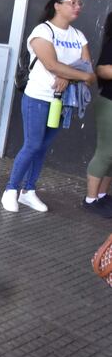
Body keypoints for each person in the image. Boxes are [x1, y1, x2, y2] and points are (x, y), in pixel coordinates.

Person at [1, 0, 94, 213]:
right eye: (72, 2)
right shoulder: (43, 31)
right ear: (57, 5)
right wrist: (75, 74)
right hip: (38, 97)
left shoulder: (78, 36)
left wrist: (68, 76)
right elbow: (52, 64)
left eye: (79, 3)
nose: (77, 7)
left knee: (43, 147)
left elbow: (88, 69)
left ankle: (29, 191)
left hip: (64, 101)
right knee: (32, 144)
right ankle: (11, 189)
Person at [84, 11, 112, 216]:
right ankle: (90, 199)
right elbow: (101, 70)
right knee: (106, 152)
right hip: (109, 103)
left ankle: (102, 196)